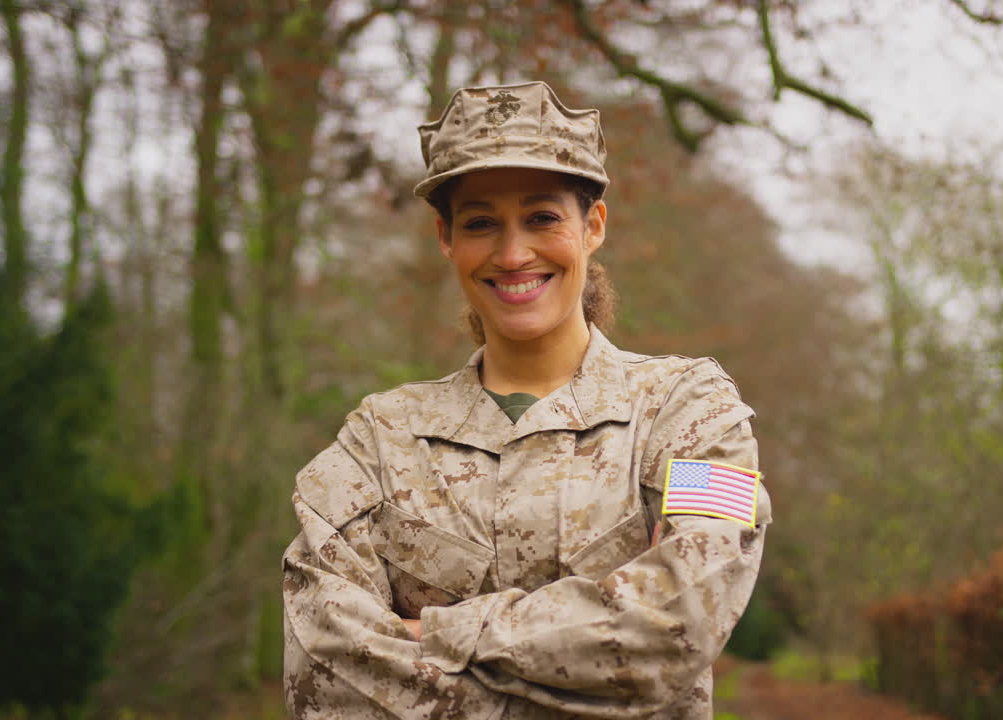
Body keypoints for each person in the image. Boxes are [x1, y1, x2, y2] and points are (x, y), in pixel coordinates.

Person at [282, 80, 772, 719]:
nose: (513, 254)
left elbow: (680, 624)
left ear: (593, 226)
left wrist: (438, 633)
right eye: (481, 223)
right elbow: (326, 672)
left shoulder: (691, 412)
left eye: (542, 217)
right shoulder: (379, 440)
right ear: (446, 238)